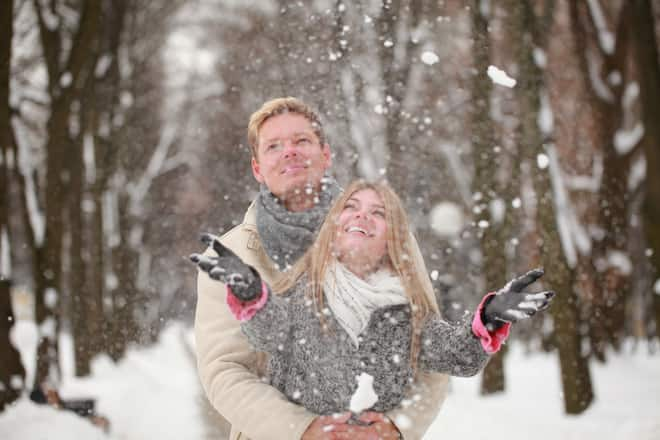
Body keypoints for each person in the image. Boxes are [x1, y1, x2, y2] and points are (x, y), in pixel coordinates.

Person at [194, 97, 450, 439]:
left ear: (325, 155)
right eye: (274, 146)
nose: (290, 152)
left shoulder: (387, 233)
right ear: (257, 168)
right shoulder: (232, 254)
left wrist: (398, 425)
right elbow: (224, 369)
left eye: (301, 141)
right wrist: (303, 429)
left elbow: (429, 351)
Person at [191, 180, 555, 421]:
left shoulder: (405, 315)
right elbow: (268, 331)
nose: (363, 214)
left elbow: (457, 355)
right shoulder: (303, 295)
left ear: (391, 240)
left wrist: (488, 318)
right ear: (333, 227)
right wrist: (251, 292)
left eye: (379, 213)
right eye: (351, 207)